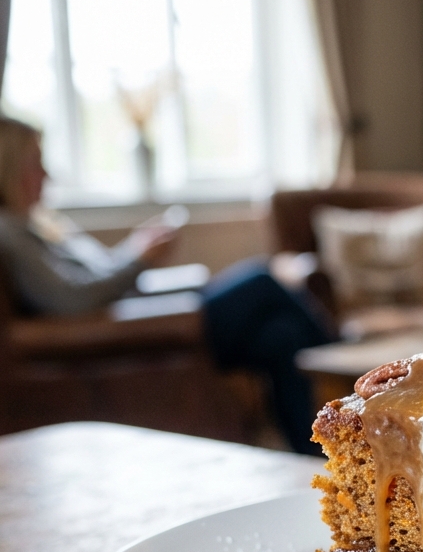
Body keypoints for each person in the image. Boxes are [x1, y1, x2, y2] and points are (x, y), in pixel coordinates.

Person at [0, 116, 335, 454]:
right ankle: (340, 355)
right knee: (261, 280)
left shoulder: (40, 224)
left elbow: (96, 275)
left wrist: (135, 248)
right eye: (35, 164)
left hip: (144, 309)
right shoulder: (9, 232)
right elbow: (71, 298)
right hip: (141, 329)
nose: (47, 175)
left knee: (282, 336)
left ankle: (312, 455)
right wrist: (140, 259)